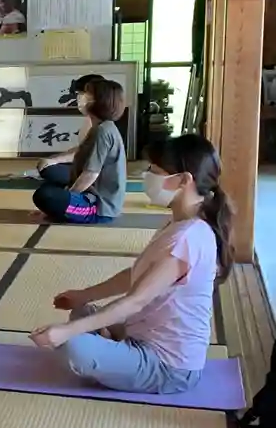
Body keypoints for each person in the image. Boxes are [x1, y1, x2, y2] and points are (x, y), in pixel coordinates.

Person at [30, 134, 229, 395]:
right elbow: (135, 275)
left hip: (168, 367)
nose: (148, 176)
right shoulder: (179, 223)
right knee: (83, 312)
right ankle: (113, 348)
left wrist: (65, 332)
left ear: (183, 180)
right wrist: (83, 295)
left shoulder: (188, 238)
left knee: (73, 346)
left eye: (155, 170)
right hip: (140, 332)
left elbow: (136, 300)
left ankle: (112, 352)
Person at [30, 77, 126, 224]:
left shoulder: (102, 131)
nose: (82, 98)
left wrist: (68, 198)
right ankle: (65, 208)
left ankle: (70, 210)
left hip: (99, 207)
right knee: (49, 189)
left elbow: (90, 174)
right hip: (92, 195)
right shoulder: (101, 127)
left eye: (88, 95)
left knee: (46, 195)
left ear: (100, 101)